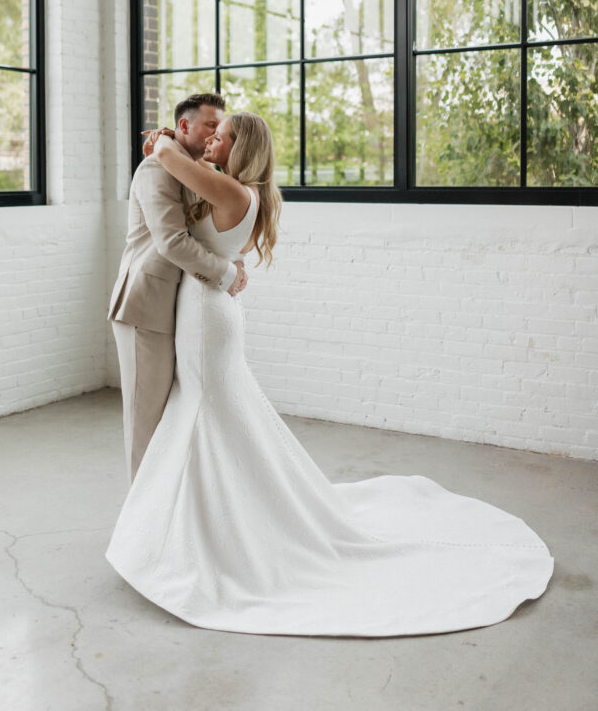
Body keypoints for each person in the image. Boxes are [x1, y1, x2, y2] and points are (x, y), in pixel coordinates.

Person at [106, 112, 553, 637]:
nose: (210, 141)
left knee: (203, 413)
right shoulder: (245, 190)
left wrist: (163, 138)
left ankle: (195, 535)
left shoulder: (230, 191)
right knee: (208, 417)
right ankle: (197, 522)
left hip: (206, 313)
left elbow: (165, 159)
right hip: (206, 309)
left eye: (220, 136)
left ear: (240, 149)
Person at [108, 93, 248, 484]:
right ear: (183, 126)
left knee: (172, 417)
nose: (214, 135)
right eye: (209, 125)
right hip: (144, 307)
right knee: (146, 421)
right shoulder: (156, 168)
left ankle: (172, 502)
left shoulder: (194, 168)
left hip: (179, 307)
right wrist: (226, 274)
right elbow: (172, 241)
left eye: (219, 129)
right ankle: (142, 514)